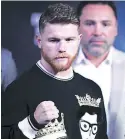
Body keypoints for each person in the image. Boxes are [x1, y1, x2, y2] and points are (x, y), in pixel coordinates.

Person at [2, 3, 107, 139]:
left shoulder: (92, 90)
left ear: (79, 40)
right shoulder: (18, 91)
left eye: (69, 39)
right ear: (39, 41)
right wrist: (31, 124)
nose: (62, 48)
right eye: (54, 40)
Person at [73, 1, 125, 139]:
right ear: (77, 27)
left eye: (105, 24)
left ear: (116, 29)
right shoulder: (59, 68)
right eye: (90, 23)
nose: (97, 32)